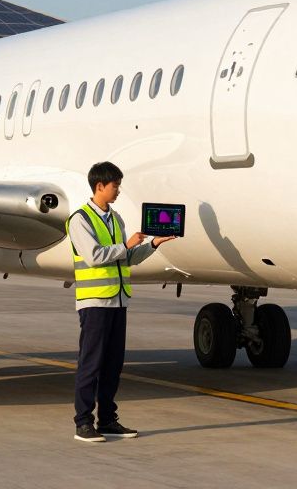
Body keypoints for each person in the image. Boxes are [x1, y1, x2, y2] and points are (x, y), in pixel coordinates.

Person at [69, 161, 177, 443]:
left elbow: (126, 258)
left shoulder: (115, 219)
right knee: (90, 364)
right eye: (115, 185)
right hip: (95, 302)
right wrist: (126, 246)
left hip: (118, 301)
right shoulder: (79, 219)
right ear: (100, 186)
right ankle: (83, 423)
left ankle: (107, 420)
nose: (118, 190)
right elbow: (94, 256)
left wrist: (152, 245)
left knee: (113, 365)